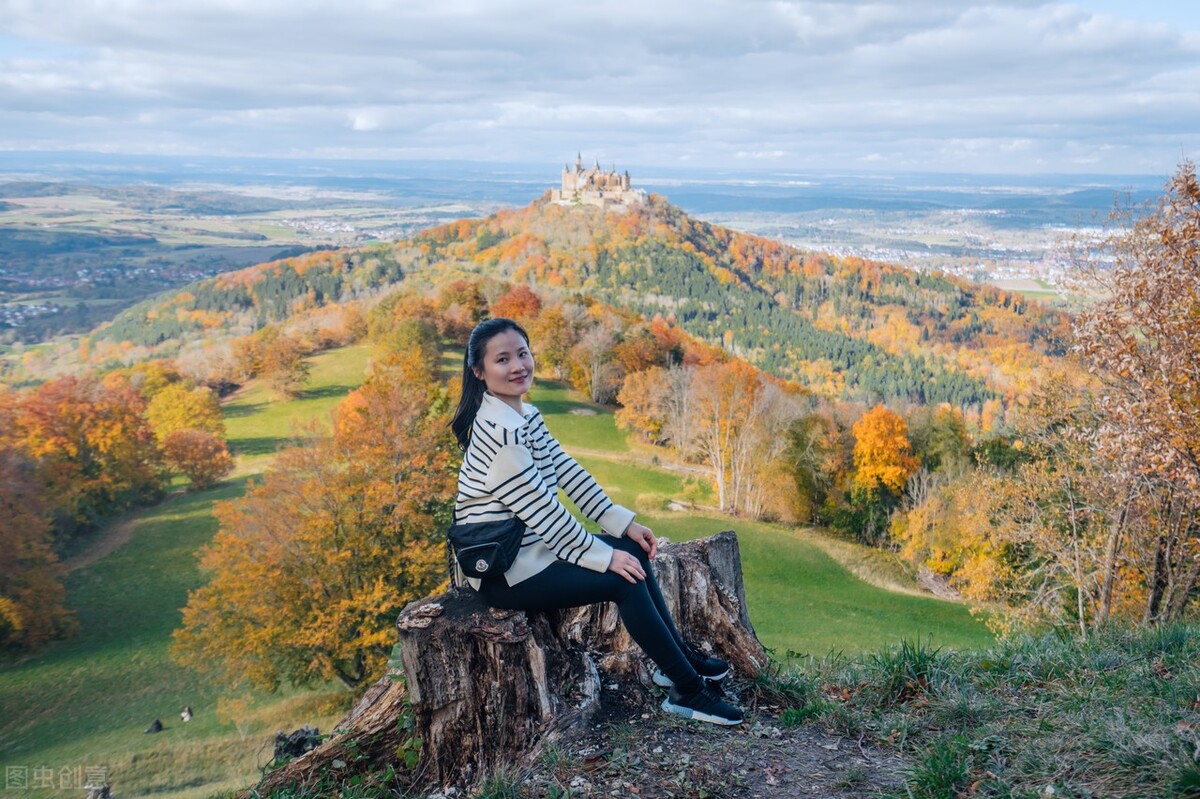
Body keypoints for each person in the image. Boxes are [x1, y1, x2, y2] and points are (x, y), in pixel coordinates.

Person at [449, 317, 744, 726]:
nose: (518, 365)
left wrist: (621, 526)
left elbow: (568, 472)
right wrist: (600, 556)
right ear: (479, 372)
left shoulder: (523, 416)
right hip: (504, 570)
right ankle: (687, 691)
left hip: (530, 547)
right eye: (503, 359)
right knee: (621, 575)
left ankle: (674, 657)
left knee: (631, 552)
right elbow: (544, 513)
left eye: (522, 353)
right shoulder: (500, 436)